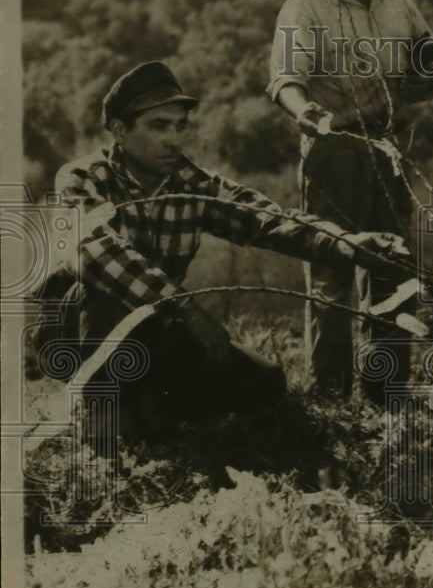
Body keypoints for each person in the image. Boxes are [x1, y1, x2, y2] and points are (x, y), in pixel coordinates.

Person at [35, 60, 408, 451]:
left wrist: (347, 243)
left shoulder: (193, 183)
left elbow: (267, 220)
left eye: (180, 126)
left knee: (262, 383)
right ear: (119, 131)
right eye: (158, 126)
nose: (174, 140)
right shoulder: (81, 178)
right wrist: (185, 310)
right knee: (106, 292)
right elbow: (94, 250)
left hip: (156, 330)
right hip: (73, 334)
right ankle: (101, 419)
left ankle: (149, 408)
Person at [267, 0, 433, 402]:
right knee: (332, 276)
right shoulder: (305, 7)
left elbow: (427, 49)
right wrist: (306, 113)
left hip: (388, 148)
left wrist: (432, 69)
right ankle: (329, 397)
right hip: (333, 151)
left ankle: (385, 395)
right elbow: (285, 80)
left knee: (393, 270)